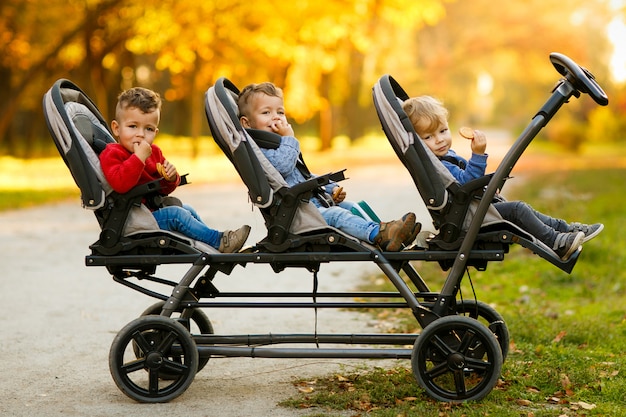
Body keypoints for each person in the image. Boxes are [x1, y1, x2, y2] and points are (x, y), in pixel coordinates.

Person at [401, 95, 603, 261]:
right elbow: (465, 183)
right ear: (417, 143)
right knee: (517, 210)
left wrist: (483, 190)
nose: (439, 140)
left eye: (443, 131)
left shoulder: (444, 158)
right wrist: (478, 155)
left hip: (469, 210)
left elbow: (464, 184)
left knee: (521, 210)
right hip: (466, 218)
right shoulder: (439, 166)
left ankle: (564, 230)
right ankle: (557, 242)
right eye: (428, 137)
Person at [237, 82, 420, 251]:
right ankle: (379, 234)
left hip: (310, 208)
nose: (276, 118)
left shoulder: (276, 145)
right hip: (295, 218)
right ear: (246, 123)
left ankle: (388, 234)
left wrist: (330, 188)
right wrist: (290, 138)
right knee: (336, 215)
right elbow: (283, 167)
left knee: (350, 207)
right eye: (266, 113)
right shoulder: (260, 151)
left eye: (280, 112)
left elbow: (302, 175)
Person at [100, 87, 250, 253]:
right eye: (133, 126)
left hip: (152, 212)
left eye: (148, 129)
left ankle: (211, 246)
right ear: (116, 128)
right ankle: (219, 241)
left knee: (187, 210)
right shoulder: (112, 153)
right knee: (177, 216)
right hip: (133, 221)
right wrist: (138, 159)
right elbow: (120, 184)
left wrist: (171, 178)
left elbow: (164, 189)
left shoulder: (154, 152)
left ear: (155, 132)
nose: (140, 134)